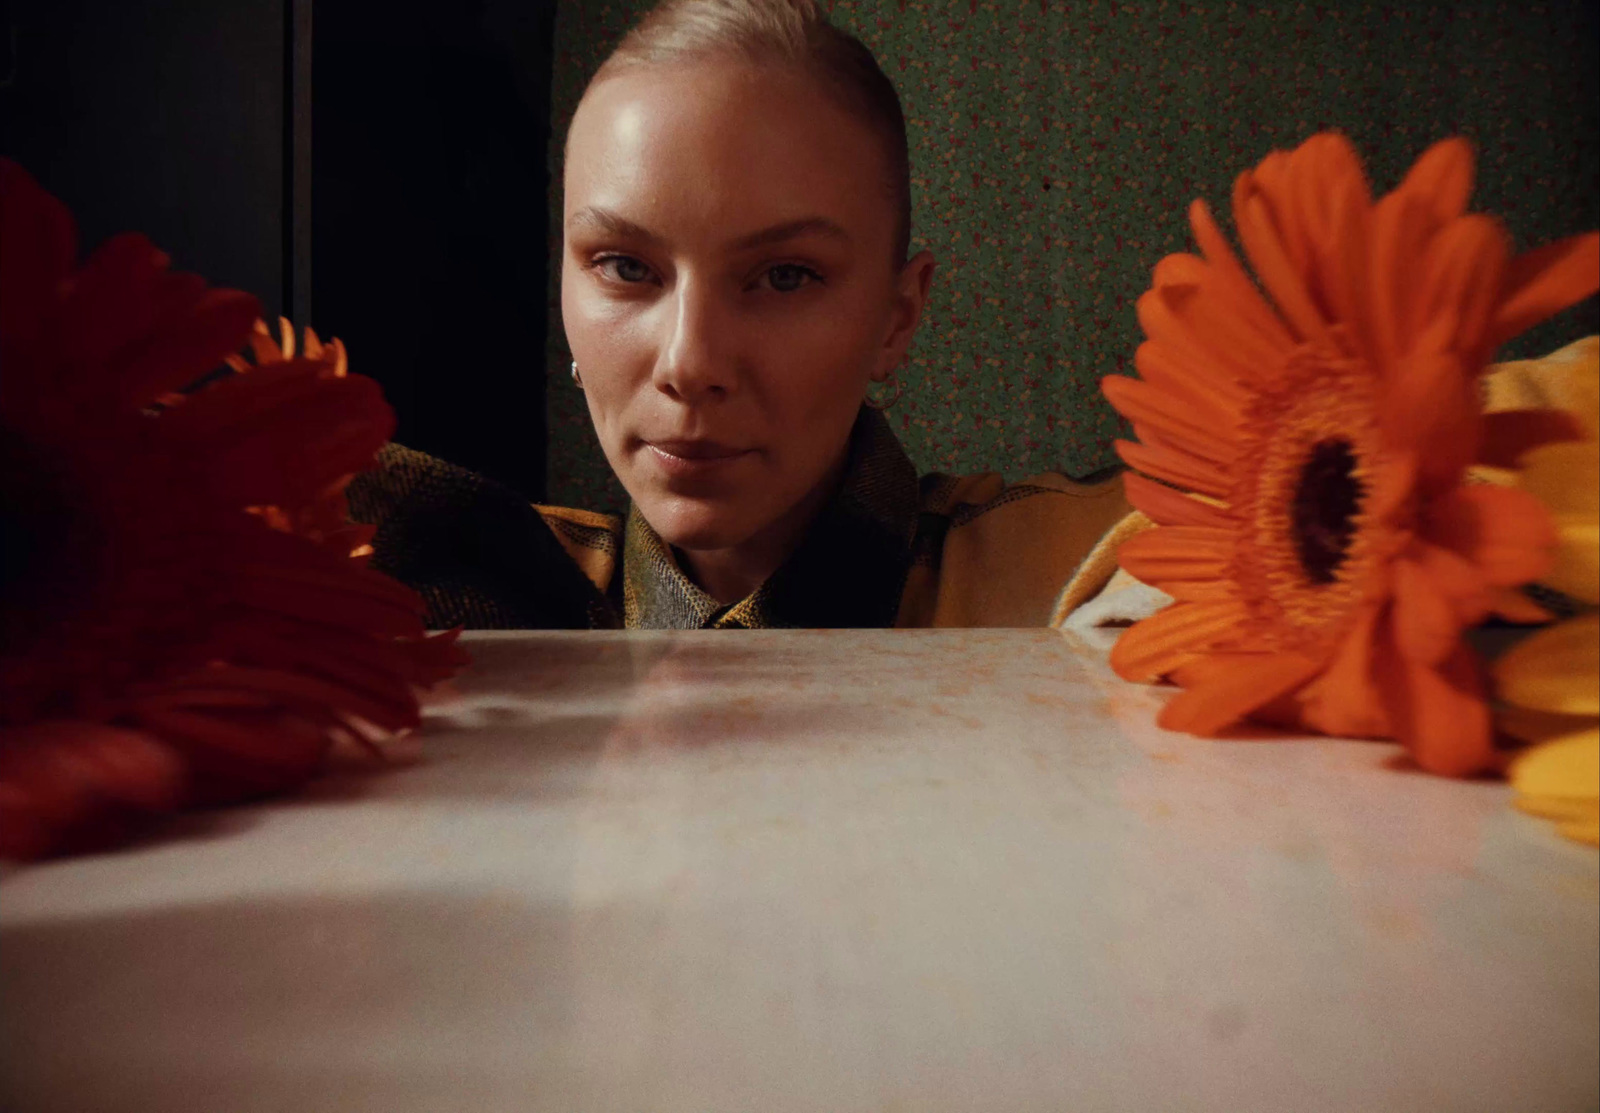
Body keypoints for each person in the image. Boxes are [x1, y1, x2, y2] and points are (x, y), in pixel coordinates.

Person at [348, 0, 1134, 630]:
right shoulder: (432, 579)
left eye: (785, 277)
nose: (689, 362)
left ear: (896, 318)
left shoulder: (1093, 566)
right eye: (625, 268)